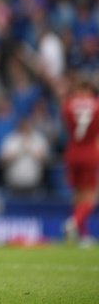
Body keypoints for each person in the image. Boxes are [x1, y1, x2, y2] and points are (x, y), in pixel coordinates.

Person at [60, 77, 99, 246]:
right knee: (90, 197)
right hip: (90, 152)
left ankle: (82, 235)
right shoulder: (97, 106)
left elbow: (66, 125)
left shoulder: (68, 105)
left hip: (72, 152)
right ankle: (74, 222)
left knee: (77, 196)